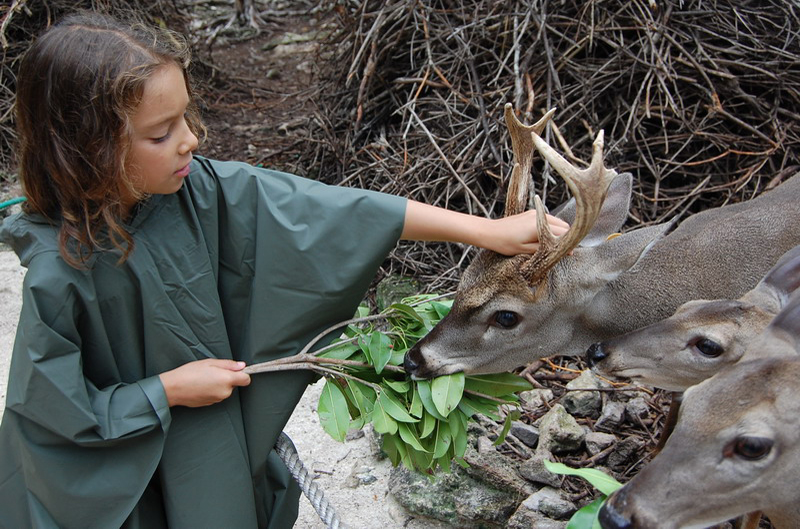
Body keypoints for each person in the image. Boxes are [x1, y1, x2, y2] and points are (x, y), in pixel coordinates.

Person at [0, 11, 569, 529]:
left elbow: (331, 213)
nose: (190, 140)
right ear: (87, 149)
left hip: (207, 446)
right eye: (161, 133)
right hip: (129, 474)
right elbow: (52, 418)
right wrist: (164, 391)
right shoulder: (60, 270)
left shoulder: (198, 191)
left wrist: (484, 231)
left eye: (186, 118)